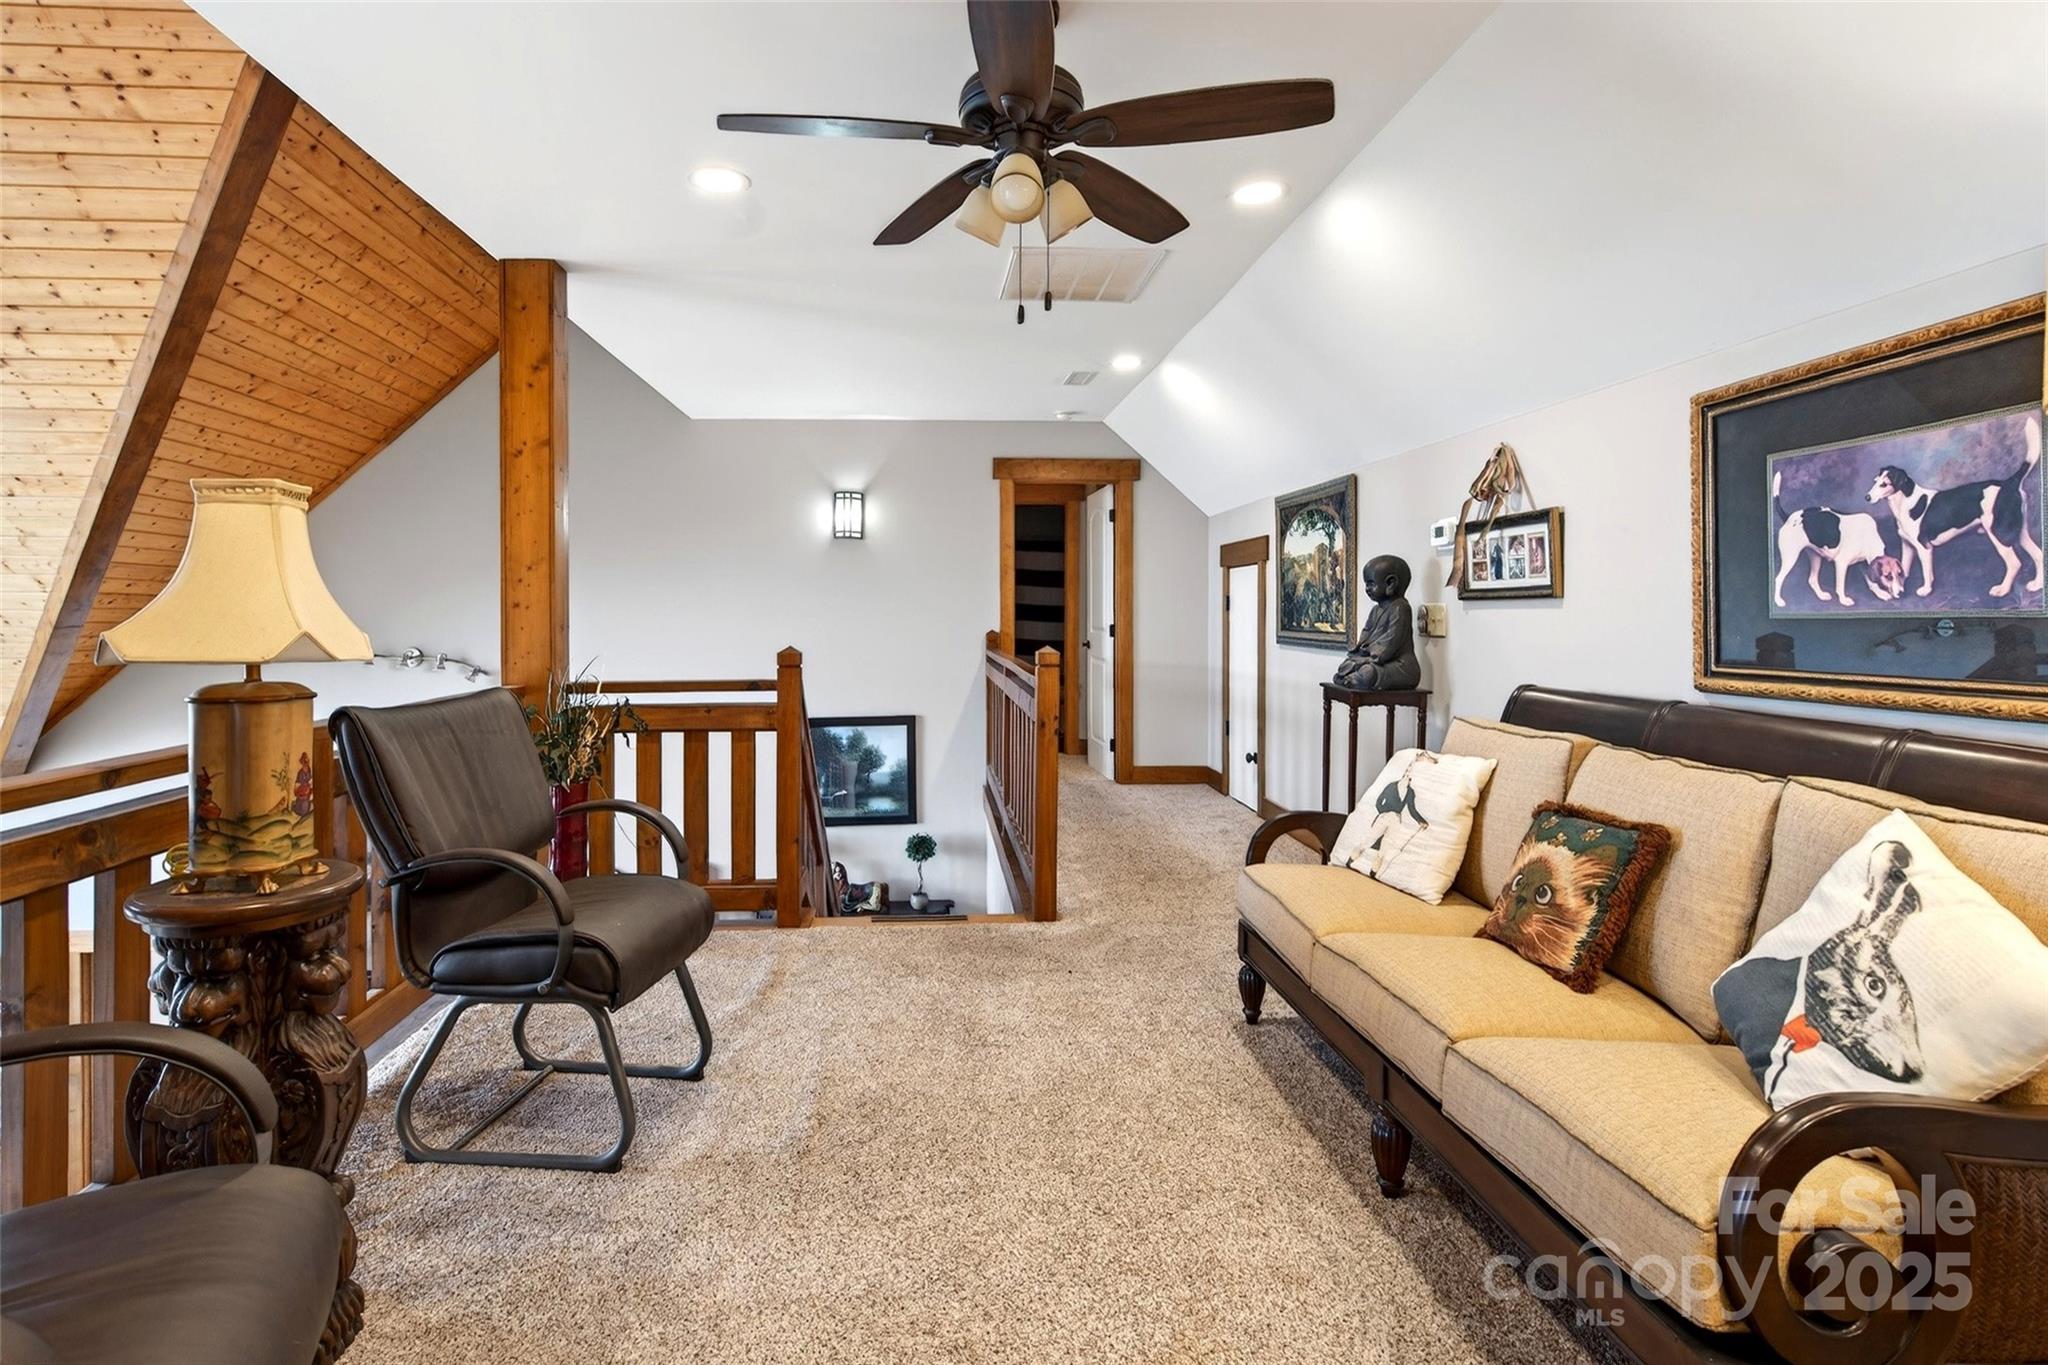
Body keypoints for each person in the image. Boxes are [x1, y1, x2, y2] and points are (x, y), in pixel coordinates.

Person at [1333, 554, 1421, 691]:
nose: (1367, 589)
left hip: (1400, 666)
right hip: (1376, 661)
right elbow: (1366, 633)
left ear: (1390, 583)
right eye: (1366, 584)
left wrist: (1368, 655)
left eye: (1371, 584)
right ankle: (1351, 678)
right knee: (1346, 665)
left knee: (1368, 672)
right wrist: (1361, 649)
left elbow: (1390, 642)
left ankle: (1352, 679)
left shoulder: (1400, 608)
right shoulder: (1376, 610)